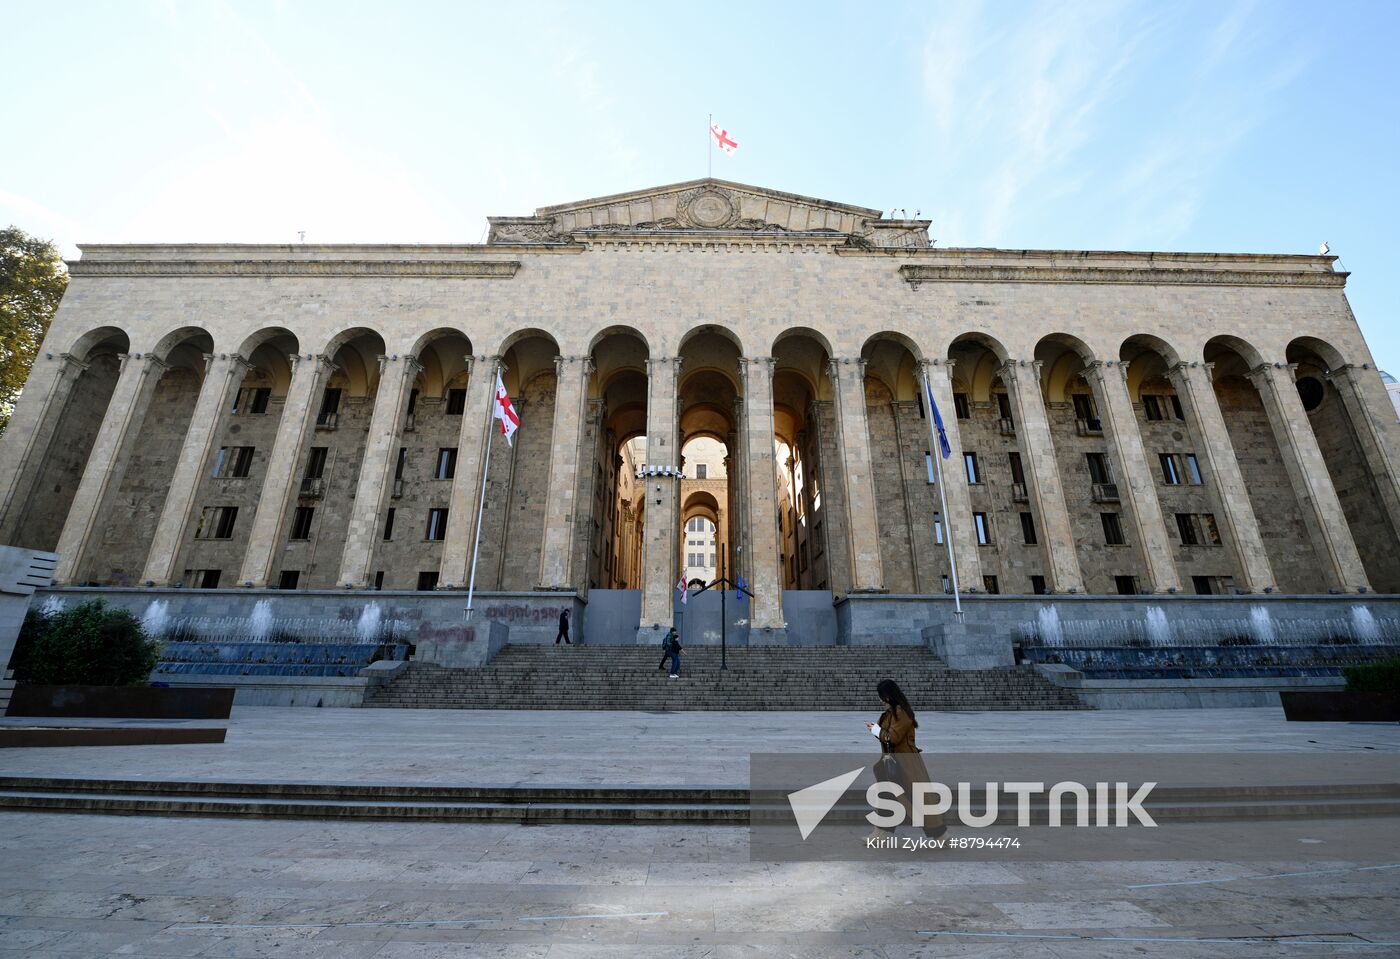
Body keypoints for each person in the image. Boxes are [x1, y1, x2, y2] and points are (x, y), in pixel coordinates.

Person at [866, 678, 946, 838]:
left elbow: (893, 738)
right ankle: (881, 833)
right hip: (892, 763)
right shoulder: (891, 713)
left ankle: (939, 835)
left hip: (906, 765)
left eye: (882, 696)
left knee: (918, 799)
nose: (881, 700)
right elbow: (887, 736)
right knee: (887, 795)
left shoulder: (900, 713)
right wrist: (877, 730)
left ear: (889, 696)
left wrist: (876, 730)